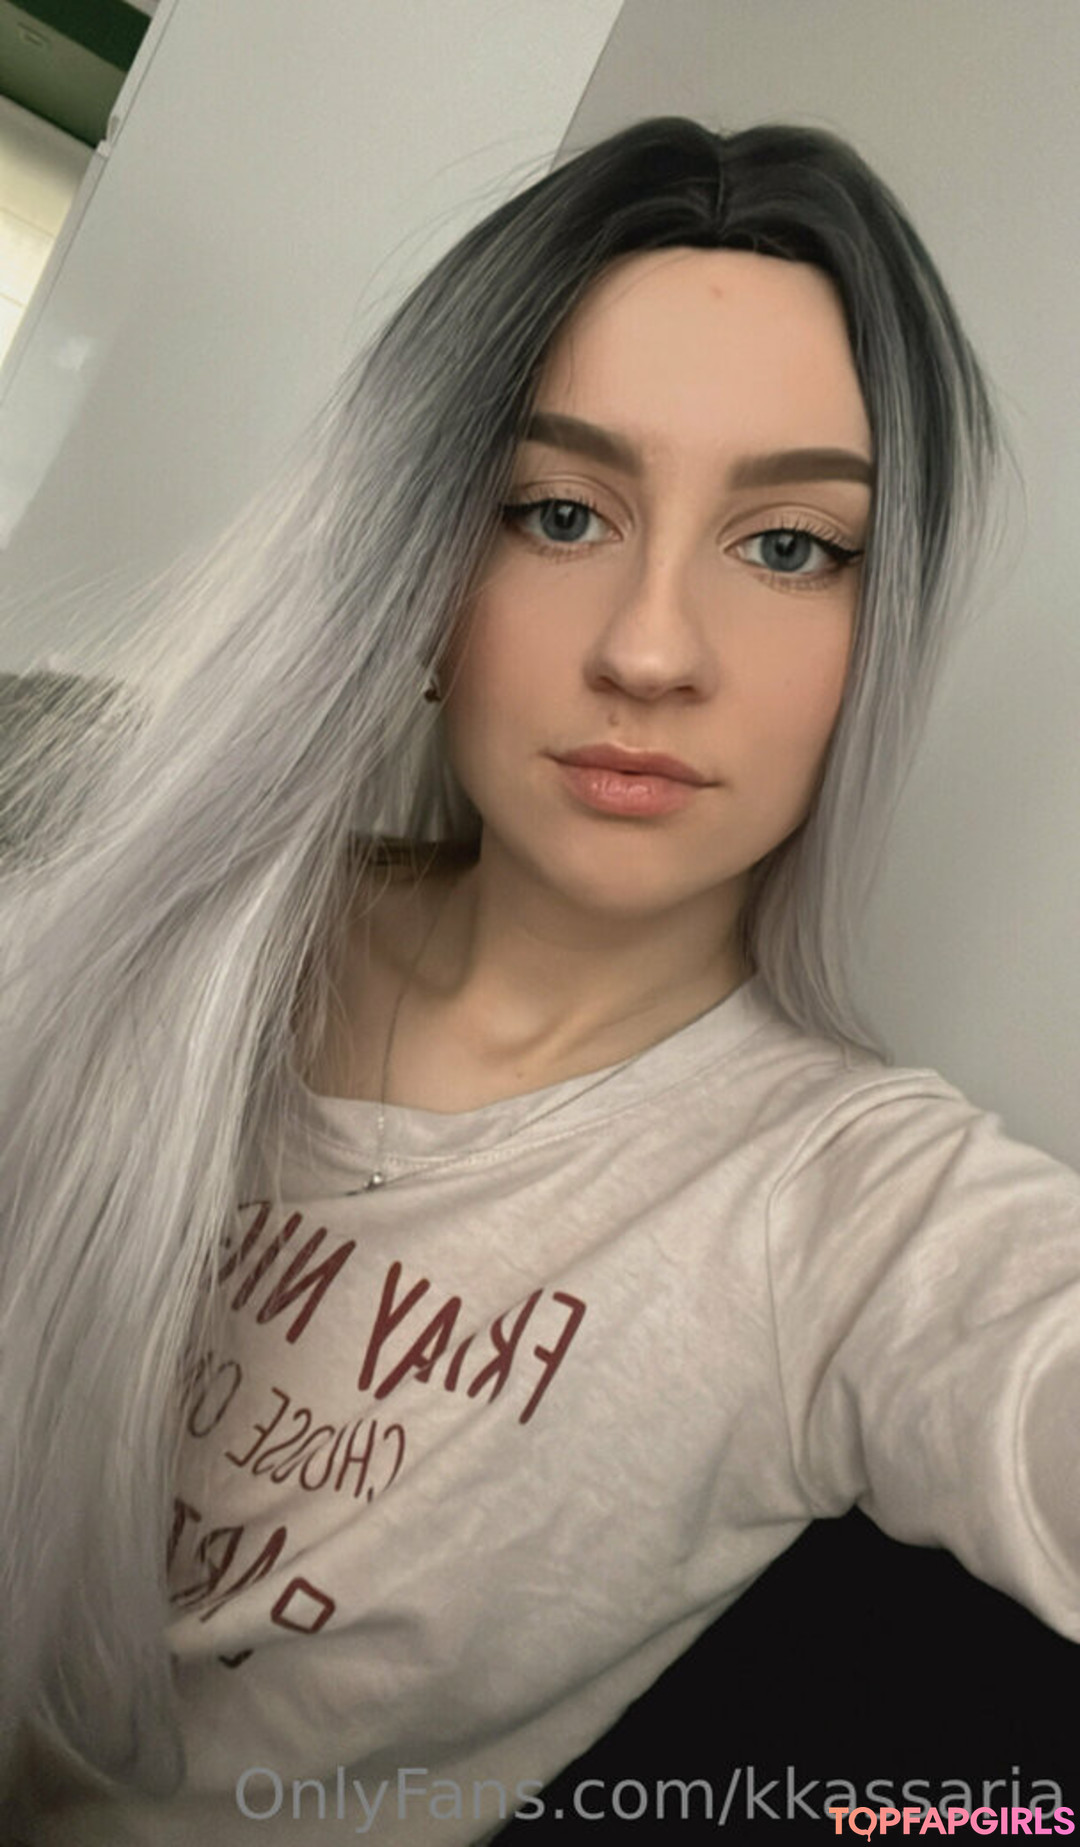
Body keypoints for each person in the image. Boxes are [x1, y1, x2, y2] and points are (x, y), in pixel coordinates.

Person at [1, 115, 1077, 1845]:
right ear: (420, 574)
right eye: (558, 513)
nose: (650, 649)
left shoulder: (855, 1215)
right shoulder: (131, 942)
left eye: (792, 545)